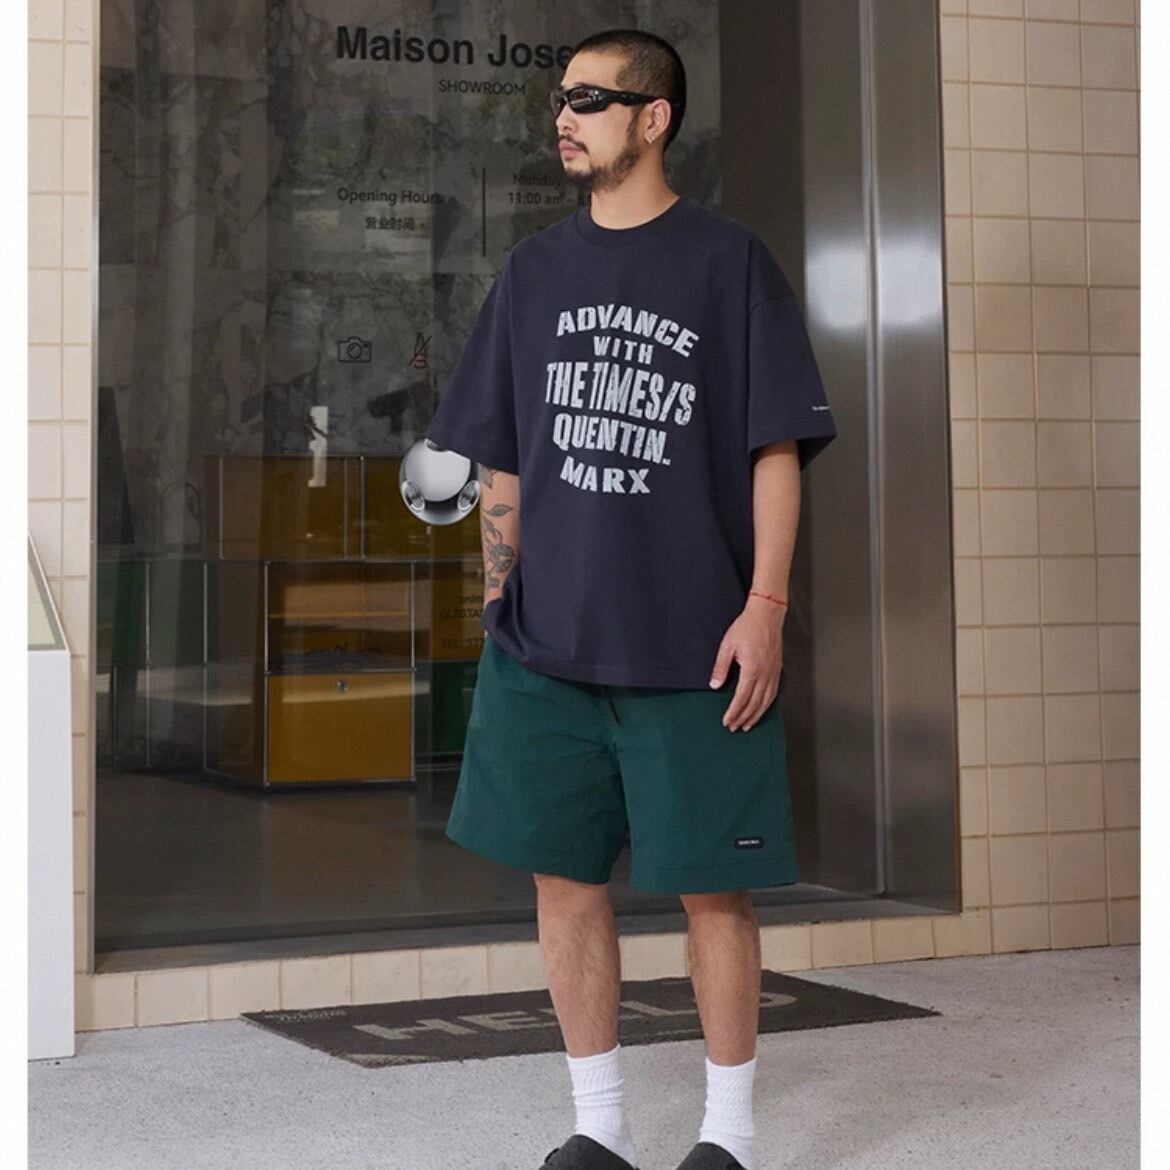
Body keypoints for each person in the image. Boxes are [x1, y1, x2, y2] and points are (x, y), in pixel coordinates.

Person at [426, 26, 838, 1170]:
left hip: (695, 646)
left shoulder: (727, 263)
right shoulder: (534, 273)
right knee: (564, 888)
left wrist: (764, 606)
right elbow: (501, 457)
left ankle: (728, 1137)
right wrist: (500, 596)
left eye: (591, 100)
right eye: (560, 99)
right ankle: (596, 1128)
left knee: (714, 894)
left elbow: (773, 449)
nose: (564, 117)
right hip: (546, 649)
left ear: (654, 119)